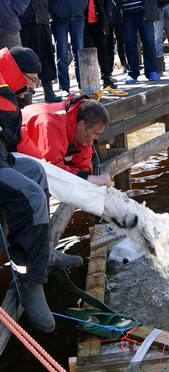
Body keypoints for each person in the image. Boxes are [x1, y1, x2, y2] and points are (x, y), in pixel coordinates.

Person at [0, 46, 83, 334]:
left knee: (36, 171)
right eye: (32, 81)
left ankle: (43, 251)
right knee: (31, 196)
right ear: (17, 73)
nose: (33, 87)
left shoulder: (7, 90)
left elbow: (16, 139)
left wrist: (52, 169)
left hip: (2, 157)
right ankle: (31, 281)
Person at [20, 96, 113, 187]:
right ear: (82, 126)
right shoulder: (50, 125)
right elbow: (51, 169)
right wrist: (89, 179)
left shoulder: (80, 127)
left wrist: (89, 180)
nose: (97, 138)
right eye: (95, 133)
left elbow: (81, 162)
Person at [19, 0, 62, 103]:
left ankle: (49, 91)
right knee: (25, 59)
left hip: (42, 18)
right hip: (24, 20)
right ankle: (24, 94)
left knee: (47, 56)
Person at [49, 0, 87, 97]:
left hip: (78, 15)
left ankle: (83, 86)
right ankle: (64, 87)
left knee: (79, 53)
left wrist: (81, 6)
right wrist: (54, 10)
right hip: (58, 18)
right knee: (61, 54)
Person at [121, 0, 160, 84]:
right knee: (129, 44)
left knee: (149, 41)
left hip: (144, 9)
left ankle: (151, 71)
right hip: (125, 11)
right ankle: (132, 73)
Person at [84, 0, 118, 89]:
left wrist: (108, 14)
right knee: (88, 53)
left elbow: (108, 2)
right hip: (84, 22)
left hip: (100, 20)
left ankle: (106, 79)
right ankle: (91, 82)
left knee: (103, 51)